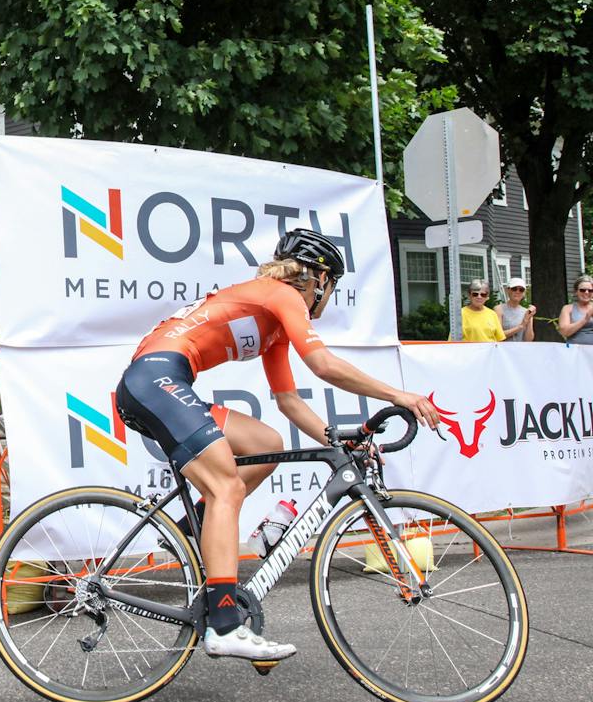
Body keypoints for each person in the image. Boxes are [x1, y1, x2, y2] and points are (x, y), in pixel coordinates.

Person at [115, 229, 440, 661]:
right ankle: (226, 626)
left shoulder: (273, 323)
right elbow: (323, 364)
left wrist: (334, 440)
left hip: (158, 380)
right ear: (318, 278)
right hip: (155, 379)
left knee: (265, 442)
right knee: (226, 487)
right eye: (333, 286)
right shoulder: (282, 294)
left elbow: (288, 401)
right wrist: (398, 395)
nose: (331, 296)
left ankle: (194, 521)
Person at [558, 275, 593, 345]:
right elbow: (564, 332)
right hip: (575, 352)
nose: (586, 292)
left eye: (590, 290)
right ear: (576, 292)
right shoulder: (567, 308)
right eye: (582, 290)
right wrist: (585, 319)